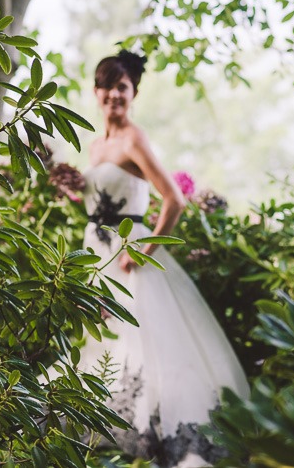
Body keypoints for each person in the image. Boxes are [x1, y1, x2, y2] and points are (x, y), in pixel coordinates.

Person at [78, 50, 249, 467]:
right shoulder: (97, 143)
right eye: (108, 87)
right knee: (107, 340)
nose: (114, 95)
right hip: (97, 252)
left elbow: (173, 200)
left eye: (123, 87)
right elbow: (101, 200)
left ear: (133, 93)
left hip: (129, 252)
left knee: (145, 343)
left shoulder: (134, 138)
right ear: (96, 91)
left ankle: (153, 435)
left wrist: (144, 250)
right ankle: (106, 425)